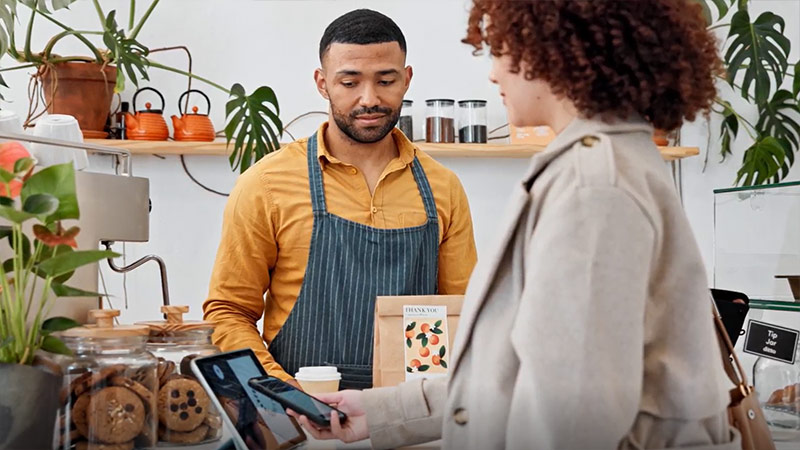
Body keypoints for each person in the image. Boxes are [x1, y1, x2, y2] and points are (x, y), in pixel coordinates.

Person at [290, 1, 739, 449]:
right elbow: (518, 369)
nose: (493, 75)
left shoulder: (593, 185)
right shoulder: (597, 165)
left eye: (500, 52)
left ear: (550, 52)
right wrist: (382, 410)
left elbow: (569, 416)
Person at [203, 9, 477, 391]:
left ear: (407, 79)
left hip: (409, 419)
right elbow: (228, 312)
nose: (370, 99)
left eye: (386, 80)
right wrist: (283, 390)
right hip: (304, 413)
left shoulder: (442, 187)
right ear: (322, 83)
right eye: (349, 82)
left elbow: (464, 316)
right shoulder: (266, 184)